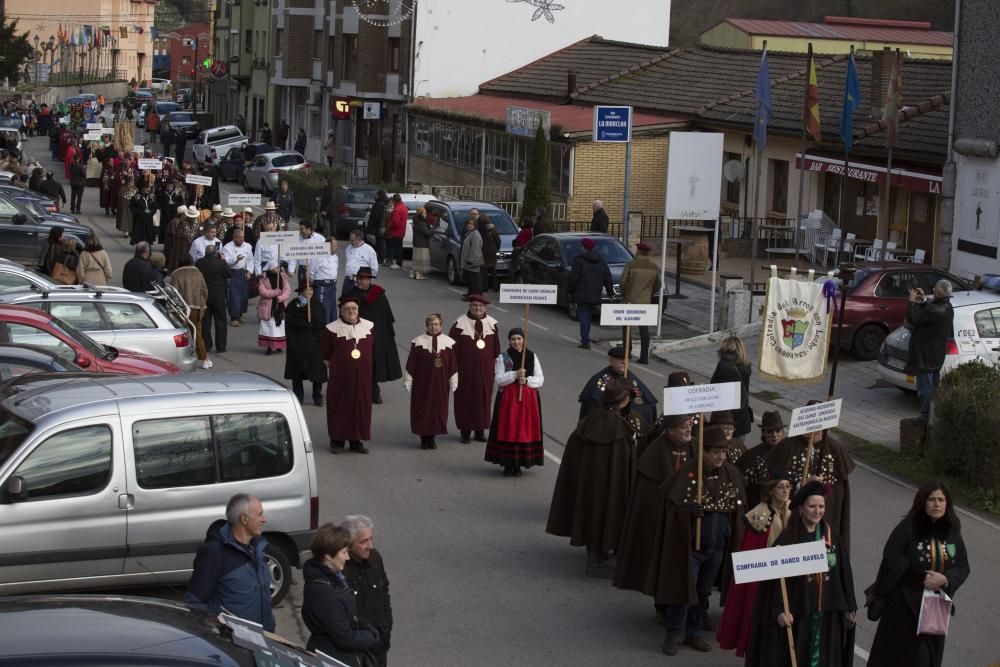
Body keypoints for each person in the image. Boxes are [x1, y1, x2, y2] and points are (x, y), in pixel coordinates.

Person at [744, 481, 857, 667]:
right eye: (812, 506)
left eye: (821, 506)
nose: (817, 511)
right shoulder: (789, 538)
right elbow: (774, 582)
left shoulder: (831, 536)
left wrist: (849, 605)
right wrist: (780, 610)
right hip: (798, 613)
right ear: (801, 508)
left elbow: (844, 572)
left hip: (826, 613)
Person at [546, 379, 645, 577]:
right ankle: (598, 558)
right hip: (611, 485)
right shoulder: (621, 430)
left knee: (591, 513)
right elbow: (625, 460)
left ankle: (594, 555)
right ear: (623, 401)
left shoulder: (587, 424)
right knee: (609, 514)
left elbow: (574, 457)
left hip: (588, 484)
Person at [867, 481, 971, 667]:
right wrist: (922, 577)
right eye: (932, 499)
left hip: (935, 607)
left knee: (926, 658)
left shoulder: (952, 532)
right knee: (897, 657)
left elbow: (963, 566)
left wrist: (945, 579)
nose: (937, 504)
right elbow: (892, 559)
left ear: (947, 504)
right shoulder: (907, 527)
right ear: (923, 502)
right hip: (903, 605)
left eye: (941, 500)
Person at [614, 413, 695, 597]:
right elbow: (647, 495)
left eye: (689, 425)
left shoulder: (695, 447)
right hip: (663, 518)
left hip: (689, 517)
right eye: (683, 427)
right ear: (670, 430)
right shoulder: (655, 451)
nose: (688, 429)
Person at [716, 470, 792, 657]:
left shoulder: (791, 513)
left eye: (788, 486)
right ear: (771, 490)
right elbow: (752, 548)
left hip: (783, 570)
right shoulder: (760, 514)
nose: (785, 490)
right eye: (780, 487)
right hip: (764, 571)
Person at [765, 403, 855, 552]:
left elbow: (840, 496)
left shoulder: (834, 449)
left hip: (826, 519)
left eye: (819, 426)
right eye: (810, 426)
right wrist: (802, 485)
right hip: (794, 521)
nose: (814, 431)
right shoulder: (787, 447)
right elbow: (773, 487)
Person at [184, 494, 275, 632]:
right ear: (244, 518)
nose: (264, 519)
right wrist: (220, 630)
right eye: (260, 514)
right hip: (234, 648)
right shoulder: (214, 553)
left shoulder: (257, 548)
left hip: (264, 640)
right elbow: (194, 603)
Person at [301, 524, 380, 666]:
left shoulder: (333, 579)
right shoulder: (324, 593)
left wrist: (366, 626)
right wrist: (371, 635)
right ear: (327, 557)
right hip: (333, 659)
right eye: (343, 553)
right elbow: (344, 638)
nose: (347, 558)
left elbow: (348, 617)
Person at [485, 327, 545, 476]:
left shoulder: (531, 356)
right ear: (509, 341)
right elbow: (498, 380)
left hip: (528, 399)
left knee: (524, 430)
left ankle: (519, 464)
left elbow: (540, 378)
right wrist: (514, 374)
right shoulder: (503, 357)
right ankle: (507, 464)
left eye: (519, 339)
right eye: (513, 339)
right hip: (508, 399)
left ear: (523, 340)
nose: (516, 342)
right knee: (508, 429)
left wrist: (527, 380)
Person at [322, 294, 375, 454]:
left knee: (360, 405)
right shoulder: (331, 329)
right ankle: (337, 440)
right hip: (341, 377)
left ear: (358, 310)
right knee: (340, 405)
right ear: (341, 312)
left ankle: (356, 440)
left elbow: (372, 348)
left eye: (354, 308)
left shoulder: (369, 326)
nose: (351, 311)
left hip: (363, 376)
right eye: (347, 309)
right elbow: (325, 354)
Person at [340, 515, 393, 667]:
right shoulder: (340, 568)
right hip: (355, 648)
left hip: (379, 644)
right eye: (363, 541)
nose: (370, 545)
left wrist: (386, 626)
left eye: (371, 539)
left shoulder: (374, 558)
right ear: (348, 544)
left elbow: (384, 593)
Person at [449, 294, 501, 443]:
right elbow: (451, 350)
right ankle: (465, 431)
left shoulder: (492, 324)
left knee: (483, 400)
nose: (477, 308)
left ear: (485, 308)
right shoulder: (459, 324)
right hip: (465, 371)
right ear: (469, 306)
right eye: (474, 305)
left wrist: (499, 368)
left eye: (480, 306)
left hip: (486, 371)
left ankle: (480, 430)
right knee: (465, 399)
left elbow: (496, 349)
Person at [347, 266, 402, 404]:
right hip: (357, 336)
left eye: (363, 279)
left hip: (376, 336)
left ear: (369, 280)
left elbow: (387, 317)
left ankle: (374, 392)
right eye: (358, 278)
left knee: (374, 364)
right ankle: (358, 392)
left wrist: (384, 335)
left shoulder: (379, 295)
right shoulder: (350, 296)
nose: (360, 281)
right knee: (358, 365)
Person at [404, 313, 459, 450]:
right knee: (422, 409)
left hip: (440, 384)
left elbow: (452, 364)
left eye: (436, 324)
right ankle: (424, 437)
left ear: (440, 325)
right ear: (426, 326)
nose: (433, 327)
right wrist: (408, 380)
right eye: (430, 324)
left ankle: (432, 437)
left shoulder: (448, 342)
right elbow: (411, 363)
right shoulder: (418, 342)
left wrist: (453, 381)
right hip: (422, 383)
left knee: (437, 409)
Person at [906, 279, 955, 425]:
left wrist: (911, 302)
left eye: (934, 290)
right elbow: (930, 312)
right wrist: (924, 300)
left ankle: (925, 416)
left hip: (926, 356)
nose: (933, 292)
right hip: (936, 355)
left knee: (925, 389)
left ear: (939, 293)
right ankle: (933, 415)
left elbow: (913, 318)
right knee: (933, 386)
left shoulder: (935, 310)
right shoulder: (948, 307)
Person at [578, 346, 658, 425]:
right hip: (606, 422)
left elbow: (645, 399)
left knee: (648, 407)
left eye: (626, 359)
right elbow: (593, 400)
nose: (623, 362)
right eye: (620, 359)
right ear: (611, 360)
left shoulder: (631, 378)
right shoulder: (601, 378)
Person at [285, 284, 328, 406]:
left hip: (315, 343)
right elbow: (290, 323)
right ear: (301, 291)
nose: (309, 292)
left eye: (311, 289)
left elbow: (322, 322)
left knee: (317, 371)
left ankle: (317, 396)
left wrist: (314, 326)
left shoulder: (317, 304)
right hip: (298, 344)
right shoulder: (294, 305)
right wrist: (303, 325)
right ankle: (299, 396)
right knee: (297, 371)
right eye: (306, 289)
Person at [619, 242, 662, 364]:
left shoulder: (631, 264)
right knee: (644, 330)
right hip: (645, 302)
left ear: (638, 251)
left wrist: (625, 294)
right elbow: (658, 284)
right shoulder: (653, 267)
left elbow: (623, 283)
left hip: (630, 301)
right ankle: (644, 357)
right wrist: (649, 294)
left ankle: (627, 353)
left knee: (627, 328)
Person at [568, 237, 613, 349]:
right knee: (588, 315)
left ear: (584, 247)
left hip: (582, 293)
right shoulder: (601, 260)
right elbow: (608, 277)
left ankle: (585, 340)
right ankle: (585, 338)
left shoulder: (579, 260)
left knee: (583, 315)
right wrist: (610, 293)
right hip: (595, 293)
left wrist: (570, 291)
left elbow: (573, 277)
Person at [736, 410, 785, 508]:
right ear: (763, 432)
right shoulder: (752, 455)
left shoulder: (789, 451)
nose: (774, 435)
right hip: (759, 506)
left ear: (782, 432)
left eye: (777, 430)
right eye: (770, 431)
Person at [171, 255, 211, 369]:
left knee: (179, 334)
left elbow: (173, 292)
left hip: (180, 309)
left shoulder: (176, 274)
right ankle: (204, 360)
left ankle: (178, 359)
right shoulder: (198, 273)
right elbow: (204, 290)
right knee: (197, 333)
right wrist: (202, 303)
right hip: (196, 308)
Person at [709, 336, 753, 437]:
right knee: (738, 448)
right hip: (742, 416)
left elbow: (714, 386)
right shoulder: (747, 367)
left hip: (724, 418)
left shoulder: (723, 366)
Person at [197, 244, 230, 354]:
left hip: (205, 296)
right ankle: (221, 346)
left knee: (205, 322)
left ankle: (207, 345)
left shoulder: (199, 263)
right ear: (216, 253)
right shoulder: (220, 263)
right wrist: (223, 260)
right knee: (220, 321)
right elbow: (228, 274)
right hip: (219, 296)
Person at [222, 228, 255, 326]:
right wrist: (235, 259)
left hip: (243, 272)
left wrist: (249, 271)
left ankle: (240, 314)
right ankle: (234, 317)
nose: (241, 239)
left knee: (243, 295)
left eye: (243, 237)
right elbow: (226, 262)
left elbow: (250, 260)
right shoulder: (227, 247)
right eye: (239, 237)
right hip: (233, 273)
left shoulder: (247, 246)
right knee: (234, 296)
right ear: (234, 238)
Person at [257, 267, 292, 355]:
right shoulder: (263, 278)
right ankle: (269, 347)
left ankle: (279, 345)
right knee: (268, 327)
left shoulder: (283, 277)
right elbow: (262, 291)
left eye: (277, 267)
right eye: (273, 267)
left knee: (279, 327)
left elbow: (287, 291)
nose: (275, 269)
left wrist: (280, 298)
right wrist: (274, 293)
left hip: (280, 307)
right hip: (268, 307)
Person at [311, 237, 340, 323]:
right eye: (335, 246)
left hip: (332, 287)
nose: (337, 247)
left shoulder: (335, 257)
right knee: (324, 310)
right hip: (322, 287)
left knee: (332, 311)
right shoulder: (318, 257)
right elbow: (311, 273)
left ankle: (331, 333)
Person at [343, 229, 379, 296]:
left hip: (360, 282)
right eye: (350, 239)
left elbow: (374, 268)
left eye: (352, 240)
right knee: (345, 301)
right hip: (348, 280)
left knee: (359, 302)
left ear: (359, 239)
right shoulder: (348, 248)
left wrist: (367, 281)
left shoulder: (369, 250)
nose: (350, 242)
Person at [459, 216, 484, 296]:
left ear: (475, 225)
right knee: (470, 279)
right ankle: (470, 294)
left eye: (471, 224)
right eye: (468, 224)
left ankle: (474, 295)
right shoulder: (470, 232)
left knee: (474, 279)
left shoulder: (475, 234)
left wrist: (470, 260)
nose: (469, 225)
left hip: (473, 261)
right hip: (469, 261)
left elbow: (475, 249)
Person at [130, 179, 158, 246]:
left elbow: (155, 207)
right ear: (141, 188)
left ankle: (148, 245)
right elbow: (132, 207)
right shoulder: (136, 197)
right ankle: (140, 245)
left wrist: (151, 212)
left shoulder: (152, 197)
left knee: (148, 231)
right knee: (140, 232)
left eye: (148, 187)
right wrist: (139, 213)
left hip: (149, 218)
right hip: (139, 219)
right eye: (146, 188)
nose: (148, 189)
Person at [478, 212, 501, 292]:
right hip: (492, 250)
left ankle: (485, 287)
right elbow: (498, 240)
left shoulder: (479, 229)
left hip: (483, 250)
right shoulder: (493, 229)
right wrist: (496, 249)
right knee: (493, 269)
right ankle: (496, 287)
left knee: (484, 269)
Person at [384, 194, 407, 270]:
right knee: (399, 247)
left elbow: (395, 222)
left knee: (396, 248)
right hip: (401, 230)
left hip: (396, 231)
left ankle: (398, 263)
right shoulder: (403, 207)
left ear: (395, 200)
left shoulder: (397, 209)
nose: (392, 202)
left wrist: (389, 226)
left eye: (393, 200)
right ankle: (399, 263)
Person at [367, 190, 390, 264]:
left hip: (378, 226)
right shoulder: (383, 203)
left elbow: (376, 216)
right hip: (381, 226)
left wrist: (373, 225)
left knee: (379, 242)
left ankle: (380, 258)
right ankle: (380, 257)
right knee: (380, 242)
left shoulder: (379, 204)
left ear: (379, 195)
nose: (375, 196)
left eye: (376, 194)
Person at [410, 208, 433, 280]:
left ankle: (413, 273)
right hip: (422, 243)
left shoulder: (416, 222)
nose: (425, 214)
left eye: (425, 213)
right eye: (423, 213)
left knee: (416, 260)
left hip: (416, 243)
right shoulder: (422, 223)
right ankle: (418, 274)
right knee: (421, 260)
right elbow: (427, 233)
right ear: (420, 214)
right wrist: (432, 229)